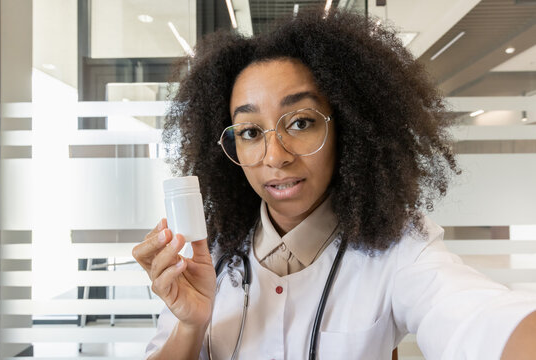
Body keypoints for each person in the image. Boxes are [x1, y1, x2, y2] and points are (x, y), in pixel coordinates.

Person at [132, 8, 536, 360]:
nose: (275, 156)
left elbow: (474, 317)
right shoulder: (206, 251)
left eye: (301, 122)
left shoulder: (398, 249)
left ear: (347, 126)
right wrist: (190, 325)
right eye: (251, 131)